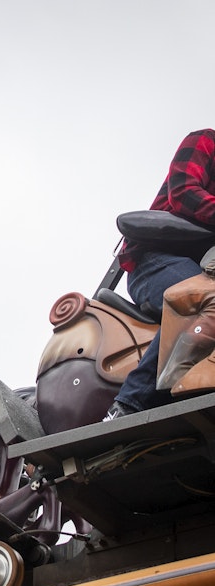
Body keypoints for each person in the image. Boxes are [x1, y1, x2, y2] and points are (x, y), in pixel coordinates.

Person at [105, 129, 215, 420]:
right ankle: (128, 404)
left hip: (205, 270)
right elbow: (183, 192)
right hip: (154, 261)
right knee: (204, 299)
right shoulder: (206, 141)